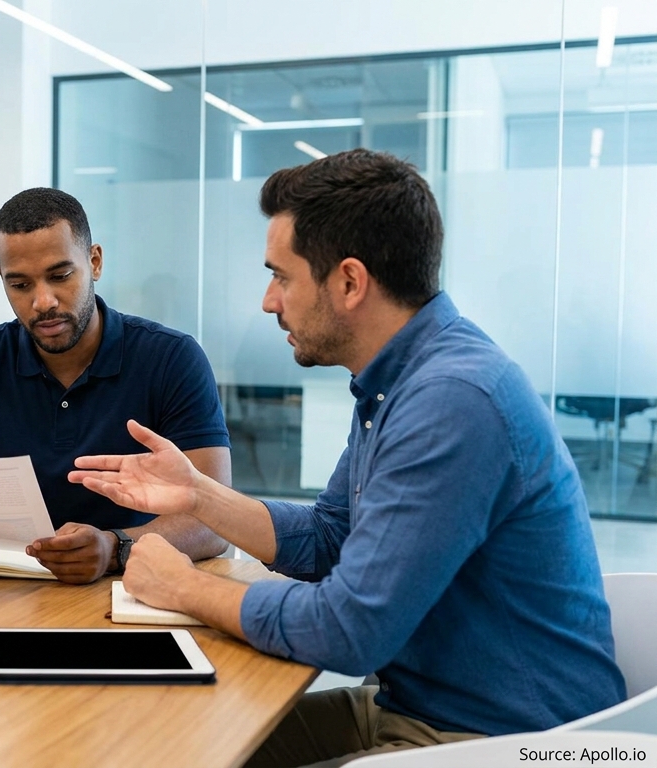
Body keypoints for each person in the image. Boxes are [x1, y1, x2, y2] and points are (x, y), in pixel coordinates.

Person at [69, 149, 625, 766]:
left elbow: (349, 630)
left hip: (505, 742)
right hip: (417, 709)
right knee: (176, 743)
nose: (267, 301)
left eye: (281, 276)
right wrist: (200, 495)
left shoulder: (452, 400)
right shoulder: (401, 380)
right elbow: (332, 537)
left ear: (350, 282)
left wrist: (186, 588)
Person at [0, 187, 232, 584]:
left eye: (60, 276)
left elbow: (216, 520)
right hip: (8, 588)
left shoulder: (172, 358)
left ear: (95, 262)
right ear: (2, 279)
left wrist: (116, 547)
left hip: (133, 585)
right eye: (20, 285)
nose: (43, 301)